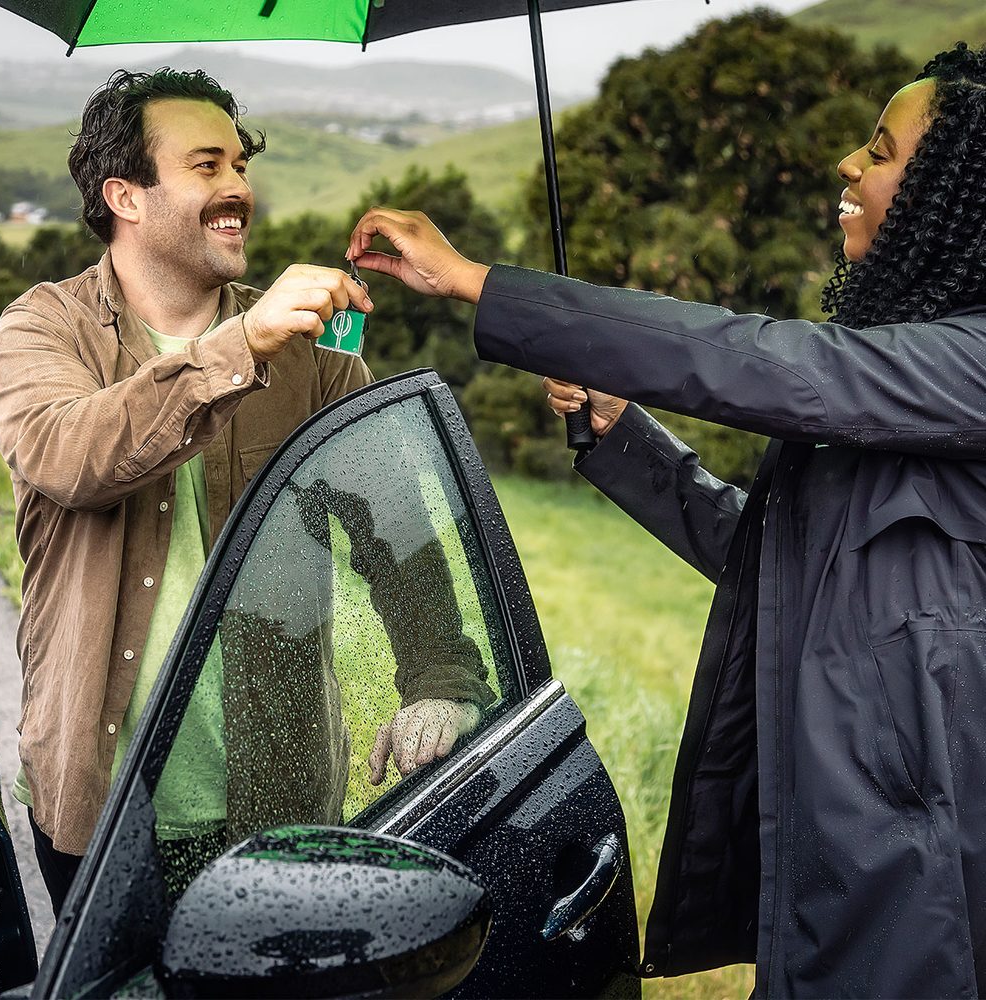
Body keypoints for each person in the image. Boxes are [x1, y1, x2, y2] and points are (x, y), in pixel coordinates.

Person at [345, 42, 986, 999]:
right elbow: (766, 558)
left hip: (931, 900)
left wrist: (482, 283)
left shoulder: (965, 368)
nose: (849, 164)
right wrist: (622, 432)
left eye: (882, 151)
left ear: (953, 201)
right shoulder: (897, 386)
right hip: (827, 877)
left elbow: (767, 364)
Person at [0, 68, 493, 917]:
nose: (238, 189)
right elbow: (68, 455)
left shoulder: (316, 357)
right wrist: (238, 347)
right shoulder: (41, 329)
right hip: (99, 804)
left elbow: (397, 537)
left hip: (279, 801)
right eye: (207, 165)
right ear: (124, 195)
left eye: (241, 166)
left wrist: (441, 680)